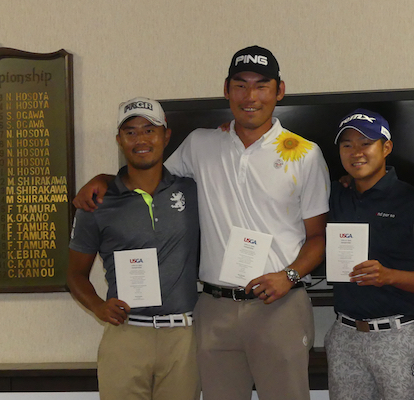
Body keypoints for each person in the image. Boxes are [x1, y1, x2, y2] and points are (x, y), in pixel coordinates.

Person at [73, 46, 330, 400]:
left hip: (279, 305)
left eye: (261, 86)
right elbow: (147, 177)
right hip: (214, 309)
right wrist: (103, 178)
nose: (250, 96)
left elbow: (318, 237)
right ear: (226, 90)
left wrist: (288, 276)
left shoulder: (305, 154)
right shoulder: (200, 144)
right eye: (240, 86)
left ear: (279, 91)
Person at [67, 97, 200, 399]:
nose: (141, 139)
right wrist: (98, 306)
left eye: (149, 130)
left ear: (166, 135)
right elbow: (75, 274)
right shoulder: (96, 203)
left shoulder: (192, 190)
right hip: (127, 335)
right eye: (130, 132)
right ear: (119, 140)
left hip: (183, 337)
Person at [325, 109, 414, 400]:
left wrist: (388, 276)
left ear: (386, 148)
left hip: (399, 335)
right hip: (345, 335)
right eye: (347, 144)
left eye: (366, 143)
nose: (356, 152)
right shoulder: (334, 194)